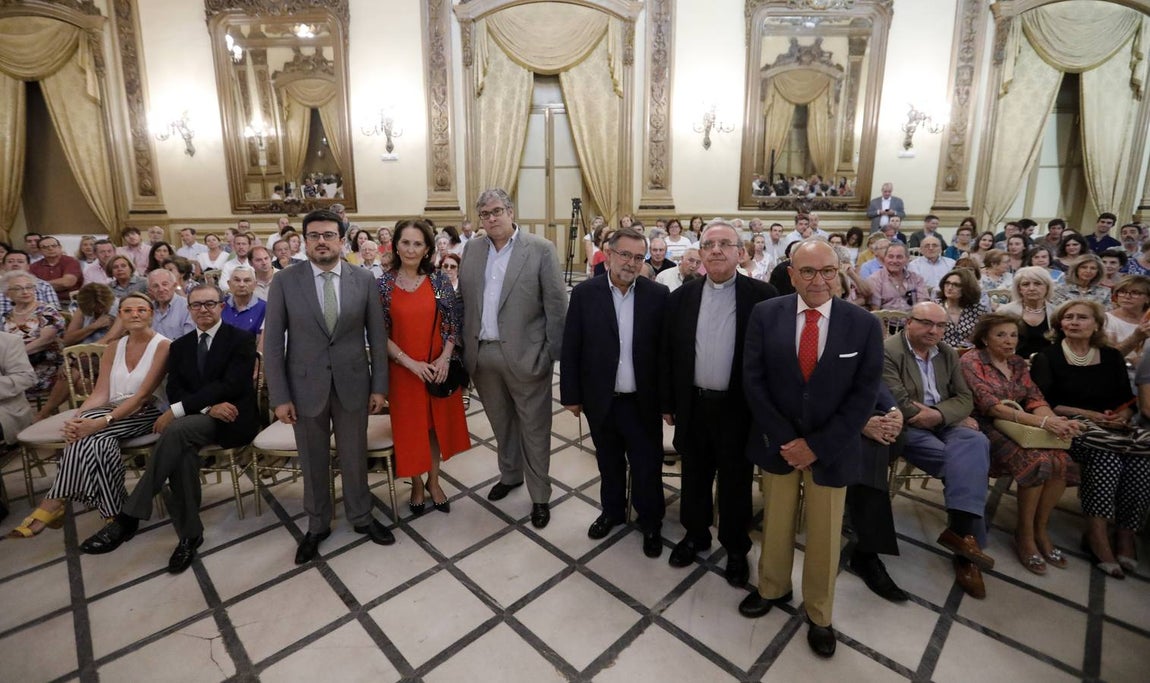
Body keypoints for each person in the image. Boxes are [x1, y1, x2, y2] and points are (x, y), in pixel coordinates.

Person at [739, 240, 883, 657]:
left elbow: (862, 396)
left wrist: (817, 446)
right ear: (791, 274)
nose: (818, 280)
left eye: (827, 271)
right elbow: (754, 381)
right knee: (776, 523)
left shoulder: (863, 324)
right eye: (807, 272)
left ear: (839, 272)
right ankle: (772, 588)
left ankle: (820, 614)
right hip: (778, 444)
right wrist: (788, 440)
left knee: (824, 535)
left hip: (832, 450)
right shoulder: (766, 314)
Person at [77, 285, 260, 572]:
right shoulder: (181, 345)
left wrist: (178, 411)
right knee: (181, 451)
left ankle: (128, 517)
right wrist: (204, 408)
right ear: (188, 310)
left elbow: (231, 385)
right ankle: (189, 536)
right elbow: (175, 389)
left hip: (233, 418)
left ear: (222, 306)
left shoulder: (241, 339)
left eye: (210, 304)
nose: (203, 310)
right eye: (196, 305)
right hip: (199, 418)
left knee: (175, 431)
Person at [264, 208, 393, 564]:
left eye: (329, 235)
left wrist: (379, 387)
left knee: (354, 456)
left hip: (354, 384)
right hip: (304, 388)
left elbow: (378, 339)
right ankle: (318, 524)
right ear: (304, 242)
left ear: (342, 239)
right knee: (313, 459)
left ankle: (362, 516)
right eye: (314, 236)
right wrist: (280, 396)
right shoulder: (286, 282)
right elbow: (273, 343)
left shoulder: (363, 280)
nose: (322, 242)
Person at [661, 221, 776, 584]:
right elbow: (671, 354)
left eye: (725, 244)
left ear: (740, 252)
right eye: (709, 244)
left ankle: (736, 547)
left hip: (738, 409)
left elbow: (772, 359)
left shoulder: (763, 295)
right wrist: (669, 401)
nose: (715, 250)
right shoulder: (681, 298)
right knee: (693, 476)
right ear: (699, 253)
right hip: (693, 405)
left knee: (735, 482)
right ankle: (695, 535)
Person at [8, 293, 169, 538]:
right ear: (121, 316)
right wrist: (80, 416)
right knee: (96, 440)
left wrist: (101, 422)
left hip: (146, 413)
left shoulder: (164, 345)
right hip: (111, 409)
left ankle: (54, 502)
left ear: (151, 314)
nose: (135, 314)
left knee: (93, 434)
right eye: (128, 310)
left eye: (141, 310)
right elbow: (101, 392)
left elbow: (142, 395)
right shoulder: (114, 347)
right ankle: (116, 513)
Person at [459, 189, 567, 528]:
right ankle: (510, 475)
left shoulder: (539, 250)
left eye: (496, 211)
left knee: (534, 428)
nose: (491, 219)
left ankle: (539, 495)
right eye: (484, 214)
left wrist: (551, 355)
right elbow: (465, 300)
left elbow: (556, 307)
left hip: (527, 357)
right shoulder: (473, 250)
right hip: (483, 355)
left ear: (510, 211)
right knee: (501, 423)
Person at [561, 227, 668, 558]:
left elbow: (666, 353)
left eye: (639, 257)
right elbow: (572, 347)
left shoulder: (657, 295)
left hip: (642, 402)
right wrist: (572, 396)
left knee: (647, 465)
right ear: (608, 255)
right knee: (608, 462)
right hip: (601, 399)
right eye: (625, 255)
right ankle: (612, 512)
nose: (632, 263)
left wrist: (667, 401)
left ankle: (651, 522)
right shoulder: (585, 294)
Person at [883, 302, 994, 598]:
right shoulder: (889, 351)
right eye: (927, 323)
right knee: (968, 464)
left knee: (976, 442)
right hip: (909, 427)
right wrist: (941, 413)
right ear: (909, 322)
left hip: (943, 421)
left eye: (941, 325)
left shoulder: (946, 353)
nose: (935, 331)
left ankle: (960, 537)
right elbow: (900, 403)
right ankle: (968, 548)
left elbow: (964, 398)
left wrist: (940, 414)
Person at [1033, 300, 1150, 579]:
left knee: (1141, 455)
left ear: (1096, 324)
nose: (1074, 322)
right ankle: (1096, 533)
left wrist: (1122, 415)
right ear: (1059, 324)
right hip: (1071, 425)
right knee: (1105, 456)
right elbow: (1044, 402)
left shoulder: (1110, 356)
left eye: (1082, 318)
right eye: (1068, 317)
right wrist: (1088, 415)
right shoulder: (1048, 357)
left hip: (1111, 424)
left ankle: (1125, 533)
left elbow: (1127, 399)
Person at [960, 313, 1083, 575]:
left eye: (1013, 335)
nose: (1009, 341)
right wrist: (1042, 424)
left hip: (1022, 426)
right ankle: (1024, 534)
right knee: (1038, 461)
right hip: (984, 426)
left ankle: (1041, 529)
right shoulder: (972, 360)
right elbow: (990, 406)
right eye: (1001, 335)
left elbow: (1034, 398)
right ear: (984, 338)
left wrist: (1054, 420)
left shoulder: (1017, 363)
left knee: (1061, 459)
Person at [378, 219, 471, 516]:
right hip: (403, 370)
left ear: (428, 248)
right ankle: (416, 484)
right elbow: (379, 333)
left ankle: (433, 481)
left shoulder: (439, 282)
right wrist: (409, 363)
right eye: (405, 242)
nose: (410, 249)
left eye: (417, 243)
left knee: (434, 430)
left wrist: (444, 358)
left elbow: (451, 322)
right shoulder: (383, 285)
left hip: (436, 369)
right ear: (396, 245)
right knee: (410, 431)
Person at [36, 283, 124, 420]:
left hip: (108, 354)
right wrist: (93, 326)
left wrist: (72, 356)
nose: (99, 310)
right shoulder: (83, 309)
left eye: (101, 307)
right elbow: (68, 339)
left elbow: (109, 339)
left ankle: (44, 413)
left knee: (75, 370)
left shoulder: (120, 308)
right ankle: (85, 418)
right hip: (82, 357)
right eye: (95, 309)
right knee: (79, 381)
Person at [1, 272, 65, 402]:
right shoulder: (5, 317)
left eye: (29, 287)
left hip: (43, 366)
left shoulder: (47, 311)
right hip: (13, 366)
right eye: (18, 288)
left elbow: (45, 340)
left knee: (7, 382)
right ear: (8, 293)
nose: (25, 291)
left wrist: (14, 356)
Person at [998, 266, 1058, 360]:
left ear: (1047, 287)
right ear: (1019, 289)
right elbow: (998, 344)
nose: (1031, 288)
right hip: (1013, 364)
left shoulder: (1056, 313)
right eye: (1025, 284)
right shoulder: (1005, 312)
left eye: (1037, 284)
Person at [866, 242, 928, 312]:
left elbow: (922, 307)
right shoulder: (875, 279)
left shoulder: (917, 279)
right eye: (890, 257)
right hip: (886, 320)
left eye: (899, 257)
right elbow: (875, 311)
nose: (894, 261)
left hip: (913, 319)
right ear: (885, 259)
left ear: (907, 259)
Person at [936, 268, 986, 348]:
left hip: (968, 354)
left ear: (967, 288)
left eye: (956, 285)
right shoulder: (934, 307)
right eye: (947, 283)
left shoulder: (978, 310)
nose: (949, 288)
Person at [221, 265, 266, 339]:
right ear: (229, 284)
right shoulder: (220, 305)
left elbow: (261, 340)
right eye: (237, 280)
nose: (241, 285)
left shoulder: (265, 308)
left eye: (247, 280)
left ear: (255, 284)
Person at [148, 269, 194, 340]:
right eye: (155, 286)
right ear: (150, 290)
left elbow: (189, 340)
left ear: (174, 286)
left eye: (165, 284)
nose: (161, 289)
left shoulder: (188, 307)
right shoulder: (148, 309)